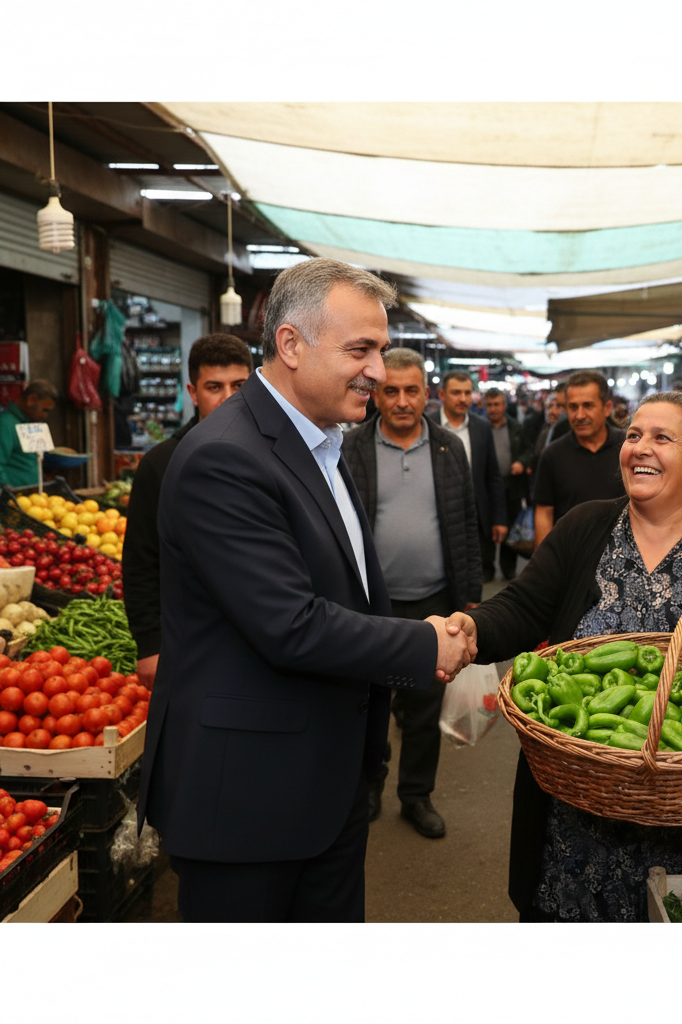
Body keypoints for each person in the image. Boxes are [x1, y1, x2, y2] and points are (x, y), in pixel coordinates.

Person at [136, 257, 475, 923]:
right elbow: (289, 624)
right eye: (360, 350)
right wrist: (423, 642)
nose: (378, 371)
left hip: (326, 782)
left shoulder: (321, 442)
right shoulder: (225, 457)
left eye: (380, 350)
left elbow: (348, 589)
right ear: (291, 344)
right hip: (250, 798)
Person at [447, 391, 682, 922]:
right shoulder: (584, 527)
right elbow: (523, 607)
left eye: (662, 437)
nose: (639, 447)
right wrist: (472, 629)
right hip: (574, 809)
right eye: (634, 434)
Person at [344, 347, 482, 839]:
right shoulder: (351, 447)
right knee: (369, 703)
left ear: (427, 395)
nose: (401, 401)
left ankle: (416, 796)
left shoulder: (448, 448)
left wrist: (470, 593)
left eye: (411, 391)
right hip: (370, 604)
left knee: (424, 707)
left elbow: (466, 520)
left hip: (434, 601)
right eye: (391, 391)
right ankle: (369, 786)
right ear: (376, 394)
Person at [122, 334, 253, 691]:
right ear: (193, 393)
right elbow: (141, 561)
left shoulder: (275, 456)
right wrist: (149, 643)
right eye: (214, 387)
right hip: (188, 641)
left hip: (263, 639)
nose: (228, 398)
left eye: (239, 386)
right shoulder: (161, 464)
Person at [531, 370, 626, 550]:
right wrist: (543, 561)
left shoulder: (628, 448)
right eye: (573, 407)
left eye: (588, 406)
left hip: (624, 557)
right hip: (570, 557)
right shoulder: (552, 455)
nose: (580, 415)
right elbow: (544, 512)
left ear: (607, 408)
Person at [427, 371, 507, 583]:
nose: (463, 399)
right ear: (442, 395)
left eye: (467, 393)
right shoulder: (427, 425)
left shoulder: (482, 427)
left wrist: (499, 519)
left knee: (478, 574)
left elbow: (493, 476)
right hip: (437, 513)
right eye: (456, 393)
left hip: (476, 514)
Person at [482, 387, 531, 582]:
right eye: (489, 405)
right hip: (486, 488)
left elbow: (528, 450)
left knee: (510, 528)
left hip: (511, 487)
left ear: (504, 405)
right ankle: (486, 568)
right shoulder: (480, 428)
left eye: (497, 404)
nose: (493, 409)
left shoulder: (516, 427)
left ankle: (508, 568)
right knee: (485, 529)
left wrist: (521, 462)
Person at [0, 380, 58, 487]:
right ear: (31, 400)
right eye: (44, 410)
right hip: (13, 494)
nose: (45, 416)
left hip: (33, 493)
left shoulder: (28, 422)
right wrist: (6, 488)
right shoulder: (5, 424)